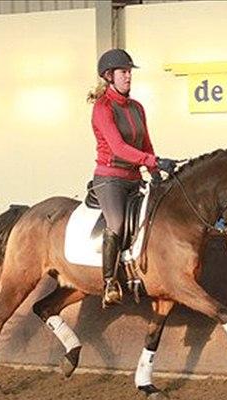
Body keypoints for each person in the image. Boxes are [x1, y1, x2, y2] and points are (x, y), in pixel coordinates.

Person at [87, 48, 177, 307]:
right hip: (110, 179)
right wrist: (152, 161)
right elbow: (119, 148)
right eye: (123, 72)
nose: (128, 77)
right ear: (109, 76)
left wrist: (156, 171)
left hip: (134, 178)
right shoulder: (102, 108)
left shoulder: (137, 107)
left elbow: (145, 143)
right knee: (115, 223)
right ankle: (109, 283)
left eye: (129, 72)